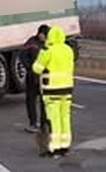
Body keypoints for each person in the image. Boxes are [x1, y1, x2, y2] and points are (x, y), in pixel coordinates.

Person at [31, 25, 75, 157]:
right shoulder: (68, 50)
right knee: (65, 117)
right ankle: (65, 145)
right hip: (67, 89)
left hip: (52, 90)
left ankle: (55, 147)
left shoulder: (47, 50)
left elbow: (37, 69)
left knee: (54, 119)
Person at [21, 24, 50, 133]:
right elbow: (22, 55)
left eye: (45, 35)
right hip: (32, 76)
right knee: (30, 100)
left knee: (45, 101)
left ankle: (44, 124)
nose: (43, 37)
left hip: (45, 77)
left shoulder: (49, 44)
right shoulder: (31, 42)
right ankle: (33, 123)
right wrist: (29, 67)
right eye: (42, 35)